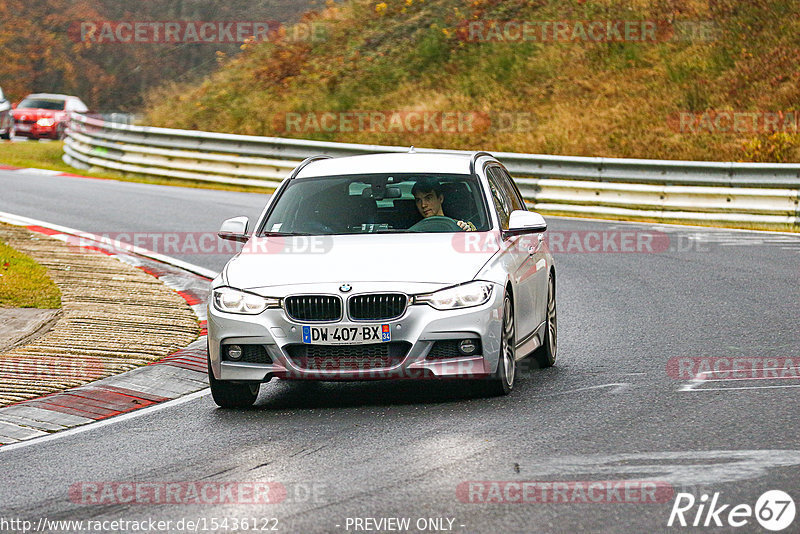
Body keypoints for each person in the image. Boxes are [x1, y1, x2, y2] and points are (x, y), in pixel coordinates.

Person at [411, 177, 476, 231]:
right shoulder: (411, 230)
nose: (423, 205)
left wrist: (466, 230)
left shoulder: (458, 225)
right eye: (418, 200)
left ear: (440, 198)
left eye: (428, 198)